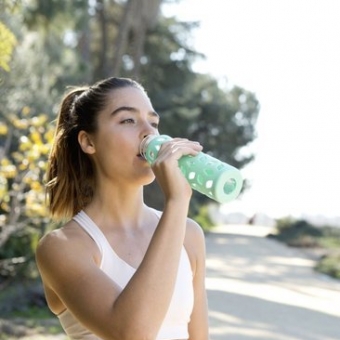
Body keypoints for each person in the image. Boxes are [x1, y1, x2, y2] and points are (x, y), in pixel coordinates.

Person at [35, 76, 210, 340]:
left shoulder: (189, 235)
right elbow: (132, 333)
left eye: (153, 122)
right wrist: (176, 201)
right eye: (128, 120)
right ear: (88, 142)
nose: (149, 133)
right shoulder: (63, 247)